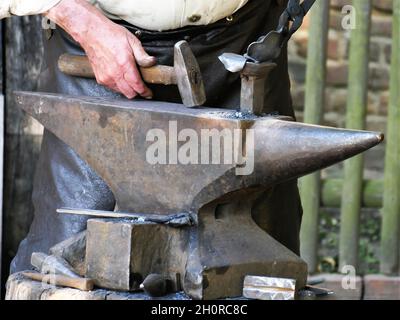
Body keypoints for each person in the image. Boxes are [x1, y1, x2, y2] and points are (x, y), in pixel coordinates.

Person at [1, 0, 303, 273]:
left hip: (246, 49)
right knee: (70, 260)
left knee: (262, 269)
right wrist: (74, 14)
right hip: (99, 49)